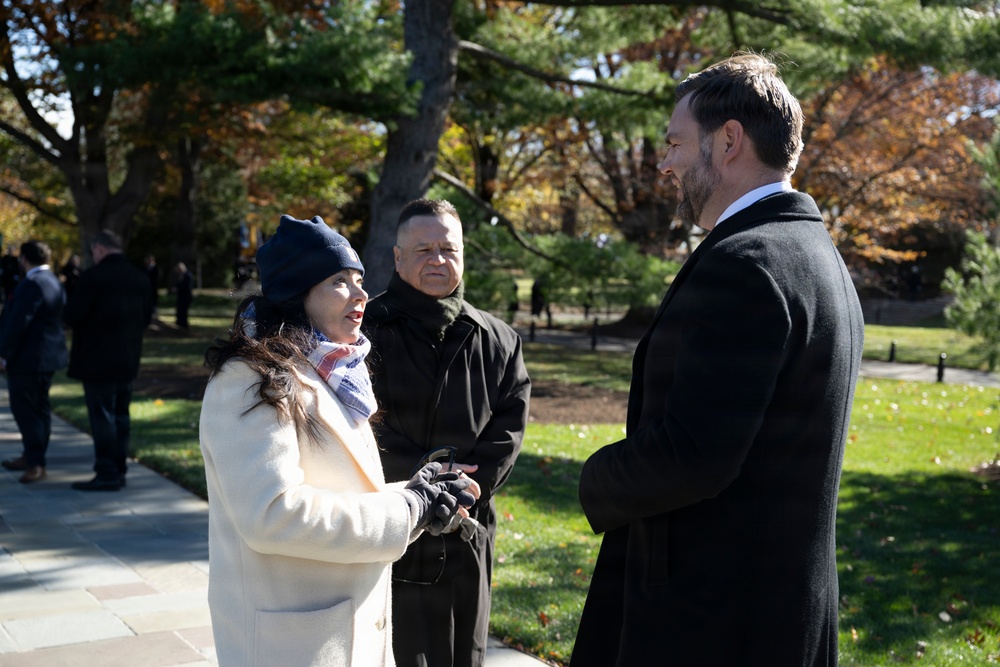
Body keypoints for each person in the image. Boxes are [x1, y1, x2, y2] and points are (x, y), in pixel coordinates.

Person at [572, 53, 865, 666]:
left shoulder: (746, 264)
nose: (666, 163)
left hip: (715, 621)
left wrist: (594, 479)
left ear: (728, 141)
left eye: (676, 143)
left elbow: (695, 454)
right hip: (776, 610)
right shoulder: (815, 254)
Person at [200, 214, 480, 666]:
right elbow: (273, 514)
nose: (361, 294)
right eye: (339, 281)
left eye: (360, 280)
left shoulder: (329, 370)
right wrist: (408, 509)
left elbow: (338, 488)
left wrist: (413, 495)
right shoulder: (249, 380)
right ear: (297, 293)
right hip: (294, 646)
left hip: (344, 637)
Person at [363, 198, 531, 667]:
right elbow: (353, 423)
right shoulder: (362, 333)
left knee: (463, 654)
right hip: (391, 522)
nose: (438, 260)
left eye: (448, 249)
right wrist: (423, 476)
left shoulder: (498, 338)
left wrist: (467, 486)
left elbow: (509, 425)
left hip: (466, 528)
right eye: (423, 250)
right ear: (398, 257)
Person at [64, 230, 154, 491]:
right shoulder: (140, 277)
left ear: (99, 249)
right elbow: (147, 316)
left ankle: (107, 472)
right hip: (128, 357)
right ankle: (118, 468)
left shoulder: (93, 277)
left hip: (97, 359)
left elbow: (72, 315)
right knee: (121, 416)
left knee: (102, 417)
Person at [0, 241, 68, 483]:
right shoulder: (54, 282)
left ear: (24, 259)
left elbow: (18, 322)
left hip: (28, 359)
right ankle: (32, 455)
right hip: (46, 357)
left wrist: (4, 354)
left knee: (26, 411)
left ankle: (36, 462)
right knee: (40, 409)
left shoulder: (32, 284)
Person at [173, 261, 194, 329]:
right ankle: (179, 323)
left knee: (184, 311)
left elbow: (187, 286)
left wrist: (178, 289)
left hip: (186, 296)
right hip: (181, 296)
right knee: (179, 310)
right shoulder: (181, 275)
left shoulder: (188, 275)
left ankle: (184, 325)